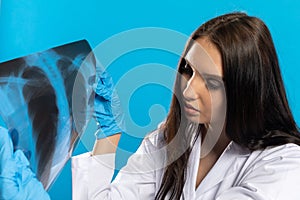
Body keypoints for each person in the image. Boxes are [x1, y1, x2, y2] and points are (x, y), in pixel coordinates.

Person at [1, 11, 300, 200]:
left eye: (210, 83)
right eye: (187, 69)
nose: (187, 90)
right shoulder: (169, 139)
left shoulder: (285, 166)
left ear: (246, 91)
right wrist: (107, 137)